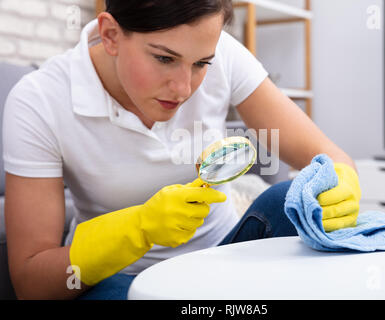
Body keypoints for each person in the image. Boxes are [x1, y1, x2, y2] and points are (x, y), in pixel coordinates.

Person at [3, 0, 361, 300]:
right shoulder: (39, 100)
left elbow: (329, 158)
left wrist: (341, 179)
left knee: (290, 198)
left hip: (222, 254)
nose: (184, 87)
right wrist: (138, 229)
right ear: (111, 35)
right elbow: (31, 282)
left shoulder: (224, 54)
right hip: (119, 276)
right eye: (164, 59)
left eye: (201, 64)